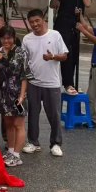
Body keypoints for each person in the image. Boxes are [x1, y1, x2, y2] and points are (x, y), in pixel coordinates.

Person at [21, 8, 69, 157]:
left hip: (52, 83)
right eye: (31, 22)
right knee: (33, 114)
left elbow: (65, 56)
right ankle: (33, 142)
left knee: (54, 115)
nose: (35, 24)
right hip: (33, 83)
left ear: (43, 20)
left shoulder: (55, 35)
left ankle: (56, 143)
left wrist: (53, 56)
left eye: (37, 21)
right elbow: (24, 60)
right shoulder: (27, 39)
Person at [0, 26, 30, 167]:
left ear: (14, 38)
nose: (6, 41)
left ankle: (17, 156)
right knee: (8, 124)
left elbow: (25, 76)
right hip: (4, 95)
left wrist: (22, 96)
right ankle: (10, 151)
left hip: (18, 95)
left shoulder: (21, 53)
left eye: (9, 38)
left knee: (19, 124)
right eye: (3, 38)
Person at [51, 0, 94, 94]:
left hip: (75, 26)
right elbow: (53, 5)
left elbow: (88, 4)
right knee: (66, 54)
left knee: (74, 56)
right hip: (62, 25)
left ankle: (70, 83)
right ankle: (67, 83)